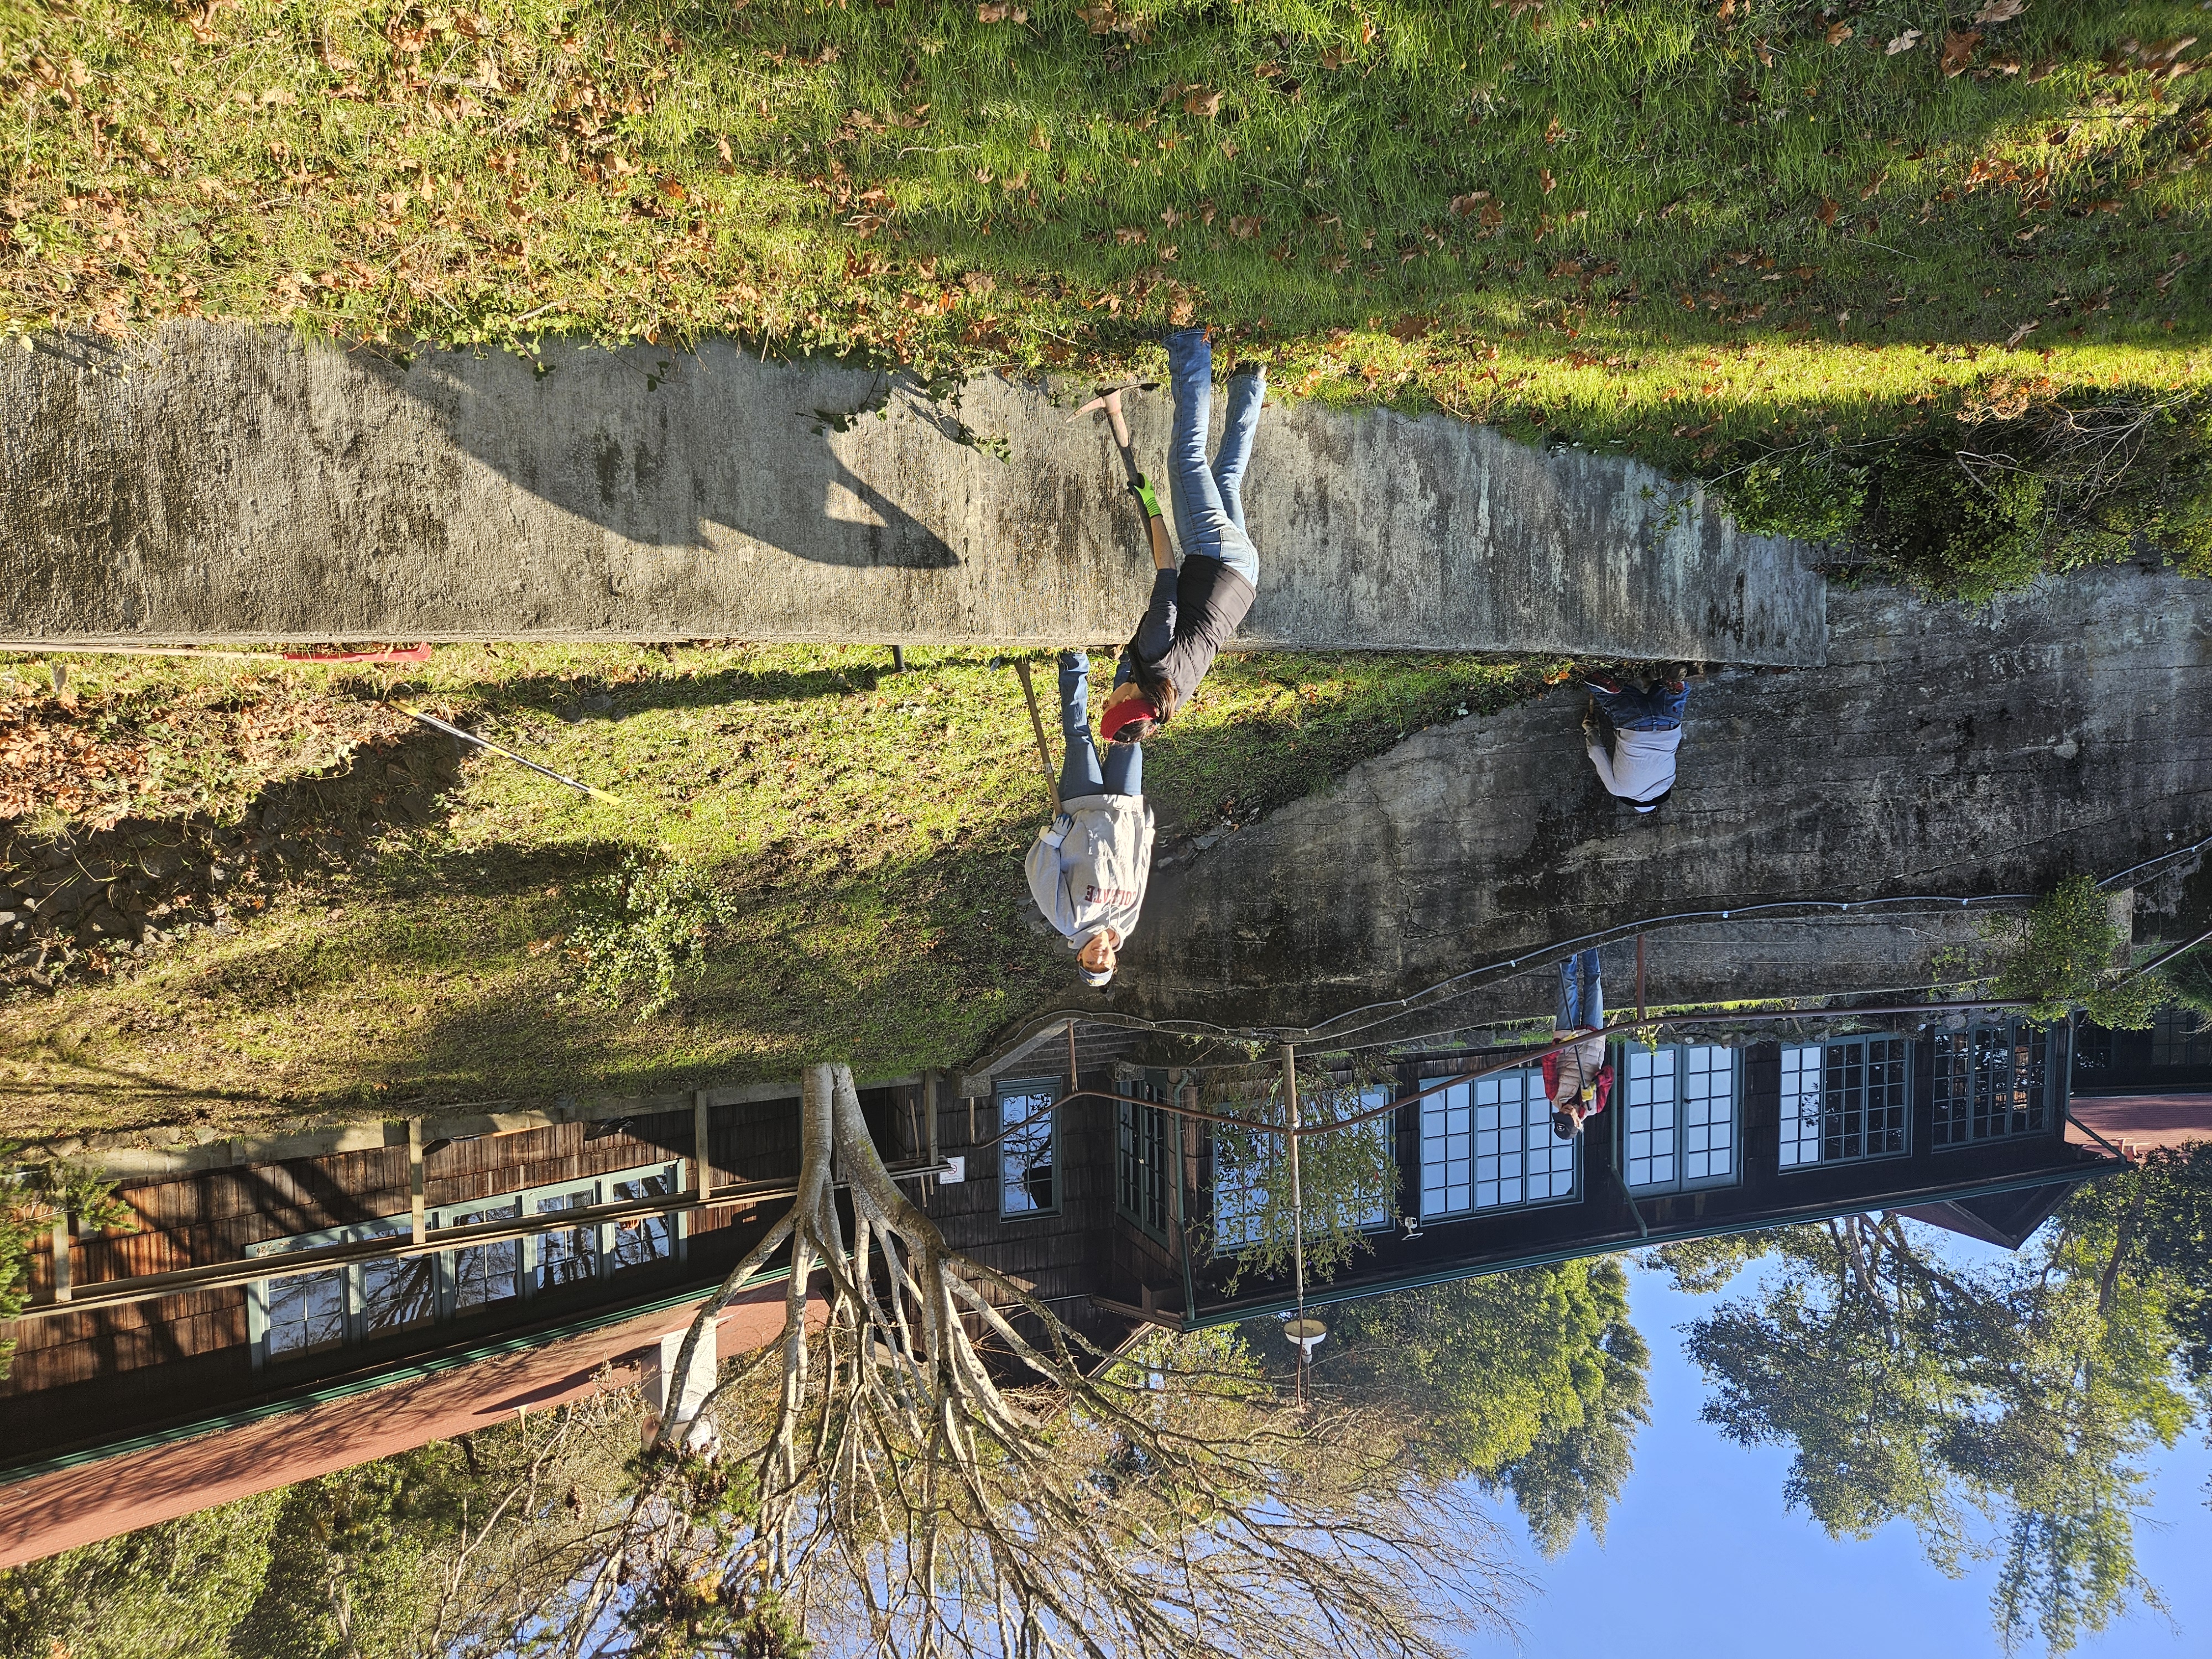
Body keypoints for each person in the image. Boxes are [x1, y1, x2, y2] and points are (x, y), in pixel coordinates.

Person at [1098, 327, 1266, 747]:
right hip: (1214, 557)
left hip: (1245, 579)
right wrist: (1151, 505)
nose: (1103, 701)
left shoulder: (1170, 697)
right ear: (1122, 703)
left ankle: (1250, 380)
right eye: (1106, 707)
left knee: (1226, 478)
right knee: (1186, 458)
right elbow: (1167, 568)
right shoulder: (1155, 654)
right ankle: (1190, 348)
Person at [1025, 649, 1155, 987]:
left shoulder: (1068, 922)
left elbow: (1040, 875)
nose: (1098, 959)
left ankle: (1074, 665)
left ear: (1080, 957)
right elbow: (1139, 871)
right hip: (1125, 809)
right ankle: (1130, 665)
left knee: (1079, 736)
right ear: (1114, 961)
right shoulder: (1128, 922)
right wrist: (1146, 831)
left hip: (1081, 807)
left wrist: (1052, 839)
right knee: (1129, 735)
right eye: (1104, 966)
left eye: (1090, 964)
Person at [1581, 667, 1687, 814]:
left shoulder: (1668, 783)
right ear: (1631, 799)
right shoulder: (1617, 789)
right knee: (1593, 681)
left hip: (1669, 723)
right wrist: (1591, 729)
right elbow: (1595, 750)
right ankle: (1613, 688)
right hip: (1634, 725)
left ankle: (1669, 681)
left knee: (1672, 684)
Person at [1543, 948, 1614, 1141]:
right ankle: (1591, 944)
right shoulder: (1595, 1106)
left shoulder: (1553, 1095)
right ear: (1578, 1123)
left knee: (1568, 987)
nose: (1564, 1111)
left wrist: (1560, 1045)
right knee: (1595, 985)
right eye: (1568, 1118)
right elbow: (1610, 1074)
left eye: (1560, 1115)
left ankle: (1572, 947)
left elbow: (1547, 1061)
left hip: (1568, 1033)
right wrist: (1595, 1084)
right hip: (1594, 1038)